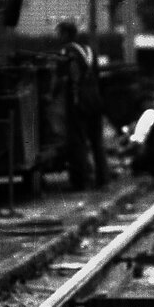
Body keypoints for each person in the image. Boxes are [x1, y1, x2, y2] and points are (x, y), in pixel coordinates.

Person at [56, 20, 107, 189]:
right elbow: (97, 76)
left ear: (65, 34)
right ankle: (103, 179)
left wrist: (52, 95)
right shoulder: (89, 50)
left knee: (78, 141)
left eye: (59, 33)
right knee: (96, 141)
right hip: (95, 99)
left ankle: (81, 181)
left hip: (79, 101)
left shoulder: (66, 51)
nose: (58, 36)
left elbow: (62, 78)